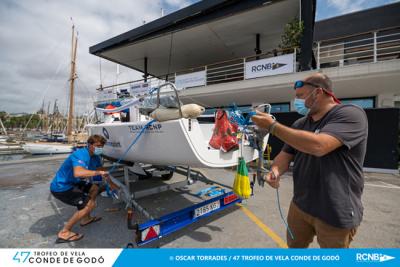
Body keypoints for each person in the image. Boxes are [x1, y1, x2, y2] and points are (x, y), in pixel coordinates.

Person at [252, 73, 368, 248]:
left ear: (318, 93)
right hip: (300, 205)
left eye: (300, 96)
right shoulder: (301, 123)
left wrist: (272, 127)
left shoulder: (350, 114)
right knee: (295, 250)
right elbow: (286, 154)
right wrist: (275, 170)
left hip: (335, 211)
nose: (296, 101)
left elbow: (319, 146)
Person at [50, 134, 113, 243]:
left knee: (94, 188)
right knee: (89, 205)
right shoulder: (80, 154)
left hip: (73, 183)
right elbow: (78, 173)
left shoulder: (96, 157)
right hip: (61, 187)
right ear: (89, 145)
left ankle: (85, 218)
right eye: (97, 146)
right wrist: (98, 172)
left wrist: (111, 184)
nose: (100, 148)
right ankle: (64, 232)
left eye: (101, 146)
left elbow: (102, 172)